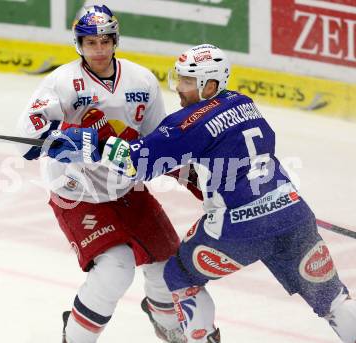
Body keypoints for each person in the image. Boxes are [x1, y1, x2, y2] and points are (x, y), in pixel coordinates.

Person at [98, 44, 356, 342]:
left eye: (186, 81)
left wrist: (90, 142)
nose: (178, 88)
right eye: (179, 78)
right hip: (292, 212)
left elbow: (134, 163)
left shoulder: (188, 121)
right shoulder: (243, 102)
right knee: (333, 300)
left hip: (239, 226)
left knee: (180, 275)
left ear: (209, 85)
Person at [16, 4, 188, 343]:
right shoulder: (62, 81)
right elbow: (27, 135)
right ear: (79, 44)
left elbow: (158, 139)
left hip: (127, 188)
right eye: (90, 42)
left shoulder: (141, 79)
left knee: (169, 265)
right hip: (77, 190)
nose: (99, 49)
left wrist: (191, 171)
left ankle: (164, 316)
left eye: (105, 41)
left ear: (115, 41)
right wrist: (62, 135)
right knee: (116, 269)